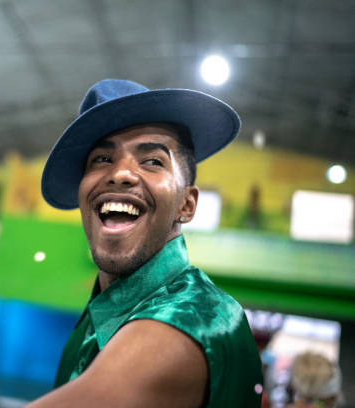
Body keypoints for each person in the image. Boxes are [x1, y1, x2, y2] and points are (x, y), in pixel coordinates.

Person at [28, 79, 263, 407]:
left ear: (187, 204)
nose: (121, 173)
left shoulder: (198, 317)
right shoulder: (94, 320)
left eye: (153, 161)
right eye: (101, 159)